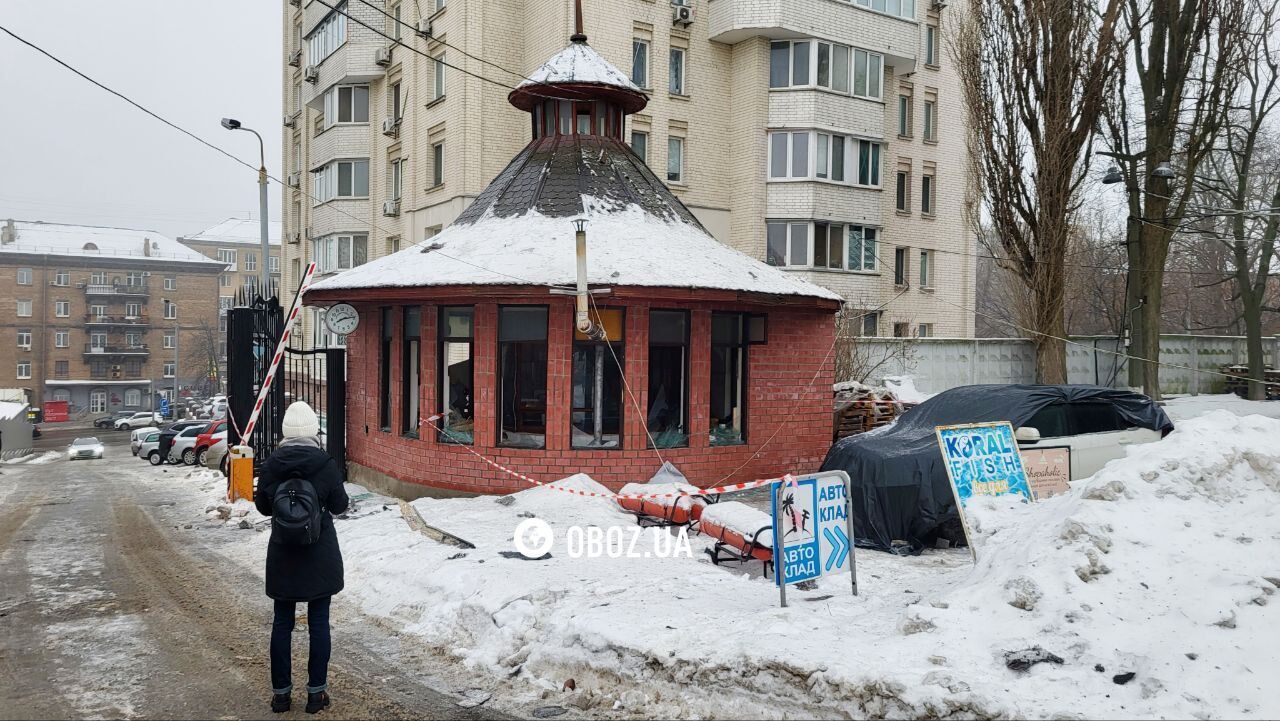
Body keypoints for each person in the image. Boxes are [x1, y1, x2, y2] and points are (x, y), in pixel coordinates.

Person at [253, 401, 349, 714]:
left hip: (283, 554)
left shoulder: (271, 465)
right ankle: (316, 693)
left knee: (282, 624)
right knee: (319, 623)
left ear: (284, 433)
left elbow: (264, 507)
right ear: (312, 431)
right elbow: (340, 505)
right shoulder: (325, 464)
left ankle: (281, 694)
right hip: (319, 554)